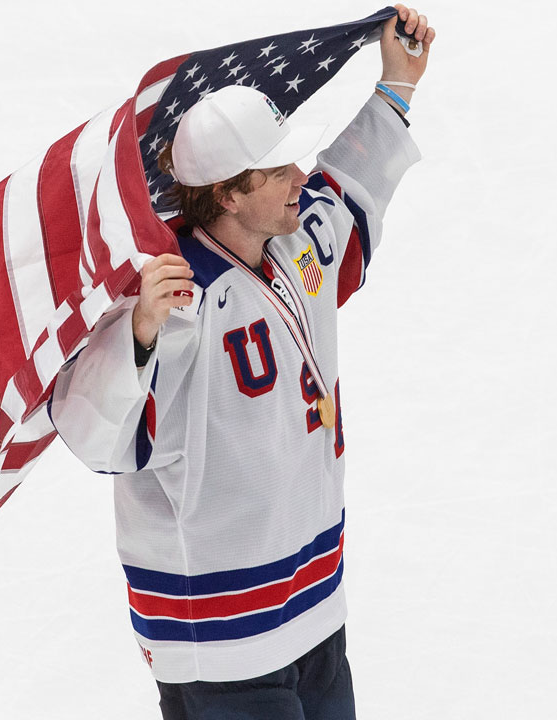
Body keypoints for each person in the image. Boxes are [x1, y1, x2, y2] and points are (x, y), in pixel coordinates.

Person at [49, 6, 435, 718]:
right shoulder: (171, 303)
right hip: (220, 637)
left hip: (315, 603)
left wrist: (395, 88)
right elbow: (94, 434)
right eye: (275, 170)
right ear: (226, 194)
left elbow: (352, 188)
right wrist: (136, 332)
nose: (299, 176)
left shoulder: (294, 242)